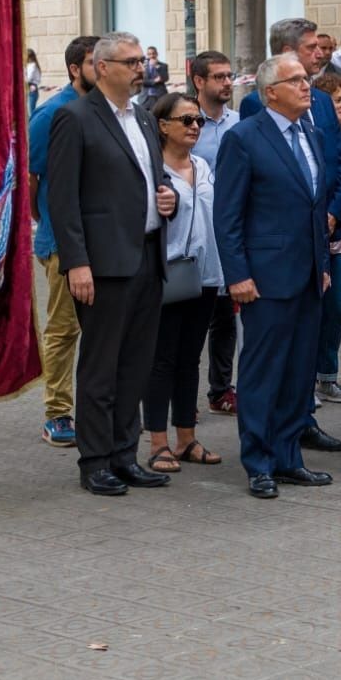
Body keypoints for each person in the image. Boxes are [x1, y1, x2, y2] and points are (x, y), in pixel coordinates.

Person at [46, 32, 179, 498]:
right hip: (102, 263)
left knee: (136, 364)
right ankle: (96, 459)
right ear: (102, 67)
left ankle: (126, 454)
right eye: (130, 61)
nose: (140, 68)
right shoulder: (74, 117)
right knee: (101, 366)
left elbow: (155, 179)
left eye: (141, 60)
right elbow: (62, 200)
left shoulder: (143, 117)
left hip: (146, 253)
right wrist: (76, 263)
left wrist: (169, 198)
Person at [214, 54, 335, 498]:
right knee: (264, 372)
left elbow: (315, 206)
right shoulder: (244, 139)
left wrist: (322, 266)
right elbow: (227, 216)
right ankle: (259, 461)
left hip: (307, 277)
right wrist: (238, 275)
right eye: (297, 80)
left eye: (307, 79)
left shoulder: (312, 134)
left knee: (299, 372)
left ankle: (288, 457)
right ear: (271, 93)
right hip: (264, 278)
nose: (308, 86)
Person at [141, 92, 224, 476]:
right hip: (166, 275)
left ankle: (186, 437)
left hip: (205, 275)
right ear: (163, 125)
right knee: (162, 359)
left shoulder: (204, 166)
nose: (194, 127)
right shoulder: (150, 171)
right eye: (187, 120)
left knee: (191, 358)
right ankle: (157, 442)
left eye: (198, 121)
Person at [25, 36, 95, 447]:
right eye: (94, 61)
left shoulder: (109, 110)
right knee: (64, 329)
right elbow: (32, 179)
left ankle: (100, 406)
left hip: (105, 242)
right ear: (75, 69)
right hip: (62, 243)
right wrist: (45, 225)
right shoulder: (51, 114)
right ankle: (57, 411)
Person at [186, 51, 240, 416]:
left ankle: (221, 389)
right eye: (218, 77)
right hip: (195, 234)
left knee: (226, 316)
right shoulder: (186, 123)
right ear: (199, 81)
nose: (226, 83)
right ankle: (179, 395)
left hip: (232, 231)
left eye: (229, 76)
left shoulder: (240, 122)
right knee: (192, 317)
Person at [314, 71, 341, 407]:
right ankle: (309, 377)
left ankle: (328, 375)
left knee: (338, 309)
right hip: (316, 238)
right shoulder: (314, 134)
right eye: (336, 100)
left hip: (339, 239)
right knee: (314, 309)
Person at [24, 48, 42, 116]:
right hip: (30, 89)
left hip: (32, 89)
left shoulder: (33, 65)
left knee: (31, 112)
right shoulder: (30, 65)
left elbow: (28, 78)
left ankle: (32, 126)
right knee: (28, 112)